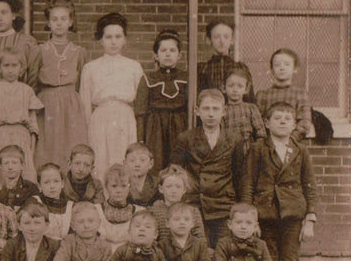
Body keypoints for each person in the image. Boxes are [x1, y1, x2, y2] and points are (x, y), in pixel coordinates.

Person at [241, 101, 319, 261]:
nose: (283, 121)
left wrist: (310, 219)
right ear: (267, 123)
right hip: (265, 217)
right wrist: (250, 219)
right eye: (278, 118)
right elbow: (247, 184)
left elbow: (310, 187)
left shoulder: (300, 150)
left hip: (293, 216)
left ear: (294, 124)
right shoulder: (258, 148)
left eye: (288, 118)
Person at [171, 88, 246, 247]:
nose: (211, 114)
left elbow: (240, 176)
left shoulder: (234, 139)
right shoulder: (186, 138)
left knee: (222, 251)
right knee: (197, 252)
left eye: (215, 109)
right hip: (196, 204)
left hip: (223, 204)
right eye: (206, 109)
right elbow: (176, 173)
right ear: (197, 111)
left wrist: (240, 207)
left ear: (224, 111)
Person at [79, 12, 145, 180]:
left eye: (118, 36)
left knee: (124, 157)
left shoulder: (134, 66)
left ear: (125, 39)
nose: (113, 41)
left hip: (125, 117)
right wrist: (88, 127)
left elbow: (141, 101)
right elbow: (85, 102)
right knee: (101, 159)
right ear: (101, 40)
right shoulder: (90, 67)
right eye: (108, 37)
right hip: (101, 117)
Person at [34, 0, 89, 170]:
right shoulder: (40, 50)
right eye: (54, 19)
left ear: (70, 22)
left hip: (71, 106)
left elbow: (83, 84)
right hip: (46, 104)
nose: (59, 23)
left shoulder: (79, 52)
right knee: (47, 146)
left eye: (63, 19)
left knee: (71, 145)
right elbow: (33, 81)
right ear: (48, 23)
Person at [0, 49, 44, 182]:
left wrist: (31, 150)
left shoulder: (26, 90)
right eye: (6, 66)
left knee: (25, 173)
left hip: (21, 136)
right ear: (0, 68)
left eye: (14, 66)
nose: (10, 70)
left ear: (21, 68)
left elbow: (33, 124)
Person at [134, 29, 188, 170]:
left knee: (179, 162)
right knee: (156, 163)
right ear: (156, 56)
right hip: (155, 128)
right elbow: (140, 111)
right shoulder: (148, 78)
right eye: (163, 50)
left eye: (172, 50)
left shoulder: (186, 77)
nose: (168, 54)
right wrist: (141, 139)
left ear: (179, 55)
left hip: (180, 126)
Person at [255, 48, 313, 143]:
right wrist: (268, 142)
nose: (282, 68)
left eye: (287, 64)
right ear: (271, 70)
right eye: (277, 65)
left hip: (292, 145)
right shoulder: (263, 95)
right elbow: (258, 123)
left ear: (295, 69)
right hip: (268, 145)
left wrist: (290, 141)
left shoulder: (300, 94)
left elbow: (304, 123)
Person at [197, 20, 255, 102]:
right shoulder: (202, 69)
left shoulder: (241, 68)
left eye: (226, 37)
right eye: (216, 37)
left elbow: (249, 99)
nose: (222, 41)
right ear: (209, 40)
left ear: (232, 40)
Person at [148, 165, 206, 243]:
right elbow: (151, 238)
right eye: (169, 186)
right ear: (161, 189)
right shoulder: (154, 211)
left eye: (178, 187)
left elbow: (200, 238)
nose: (173, 191)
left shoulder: (193, 211)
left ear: (184, 189)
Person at [221, 68, 266, 156]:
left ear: (246, 89)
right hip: (228, 151)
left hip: (249, 151)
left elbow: (261, 132)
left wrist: (256, 149)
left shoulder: (251, 108)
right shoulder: (223, 110)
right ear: (224, 88)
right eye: (231, 86)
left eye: (240, 86)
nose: (235, 90)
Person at [96, 163, 135, 251]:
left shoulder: (138, 212)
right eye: (114, 186)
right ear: (106, 187)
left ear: (130, 187)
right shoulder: (97, 210)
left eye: (124, 186)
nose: (118, 190)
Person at [35, 162, 73, 241]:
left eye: (56, 181)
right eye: (46, 182)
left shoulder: (70, 206)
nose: (52, 186)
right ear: (39, 186)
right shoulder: (35, 203)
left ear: (62, 184)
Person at [0, 145, 39, 210]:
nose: (10, 167)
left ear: (22, 165)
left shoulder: (31, 188)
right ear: (0, 166)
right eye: (6, 163)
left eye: (14, 163)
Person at [124, 143, 158, 207]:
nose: (137, 164)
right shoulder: (121, 183)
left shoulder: (157, 183)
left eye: (142, 160)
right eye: (132, 160)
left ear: (151, 163)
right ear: (125, 163)